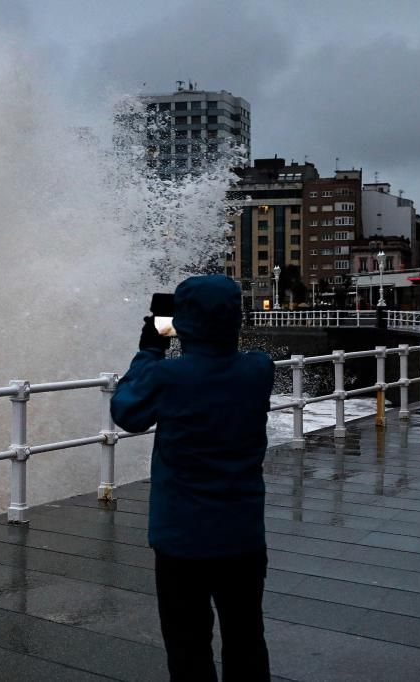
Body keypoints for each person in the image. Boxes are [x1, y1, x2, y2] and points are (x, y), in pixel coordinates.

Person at [111, 275, 274, 682]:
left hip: (181, 537)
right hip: (242, 535)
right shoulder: (259, 370)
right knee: (246, 637)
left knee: (188, 645)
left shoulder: (169, 378)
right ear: (236, 318)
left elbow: (127, 412)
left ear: (184, 322)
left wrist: (151, 348)